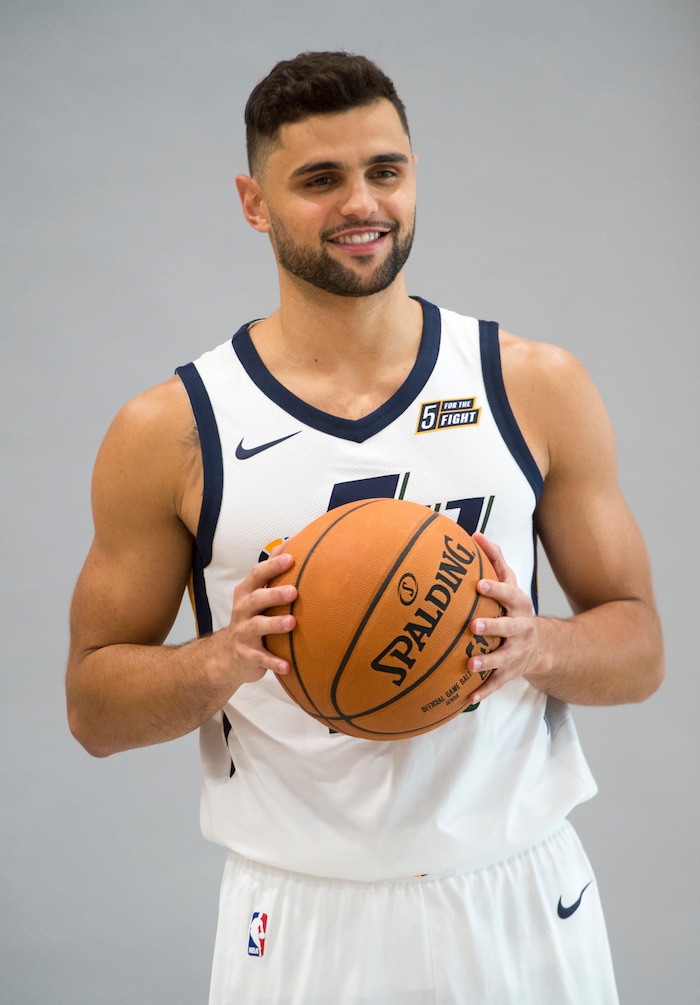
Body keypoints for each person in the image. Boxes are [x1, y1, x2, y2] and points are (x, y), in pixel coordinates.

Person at [66, 51, 664, 1005]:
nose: (362, 203)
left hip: (518, 888)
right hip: (302, 915)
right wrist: (224, 655)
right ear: (253, 202)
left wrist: (535, 645)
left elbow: (640, 647)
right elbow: (93, 707)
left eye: (386, 169)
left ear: (415, 174)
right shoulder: (174, 429)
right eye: (320, 178)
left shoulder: (529, 383)